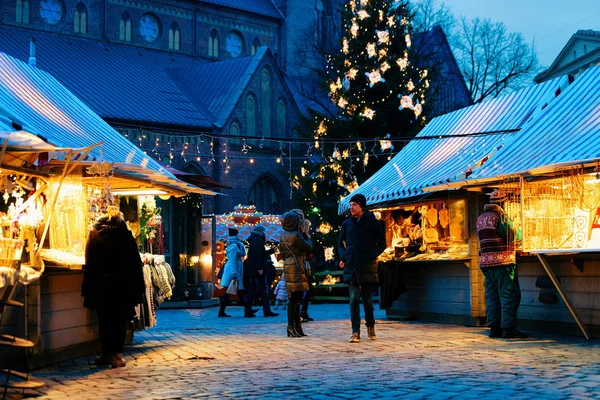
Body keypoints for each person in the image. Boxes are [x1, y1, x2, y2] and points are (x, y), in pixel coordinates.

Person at [82, 206, 145, 368]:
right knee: (118, 321)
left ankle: (105, 353)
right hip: (121, 286)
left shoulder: (94, 235)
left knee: (104, 320)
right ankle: (117, 357)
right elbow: (134, 263)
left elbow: (89, 260)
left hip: (101, 285)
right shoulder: (124, 235)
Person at [476, 189, 527, 339]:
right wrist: (521, 229)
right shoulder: (500, 216)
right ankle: (508, 329)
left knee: (492, 296)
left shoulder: (481, 217)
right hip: (502, 262)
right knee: (509, 295)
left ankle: (494, 328)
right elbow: (512, 235)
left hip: (486, 263)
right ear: (503, 203)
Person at [338, 193, 386, 343]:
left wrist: (370, 256)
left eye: (354, 205)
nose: (351, 207)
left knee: (367, 300)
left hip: (367, 266)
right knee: (353, 299)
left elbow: (382, 243)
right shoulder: (347, 224)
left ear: (361, 206)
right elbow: (340, 243)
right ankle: (355, 332)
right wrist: (343, 257)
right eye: (350, 205)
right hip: (352, 266)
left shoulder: (372, 223)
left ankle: (370, 328)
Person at [279, 210, 312, 337]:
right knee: (295, 299)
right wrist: (307, 236)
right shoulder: (297, 235)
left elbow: (282, 253)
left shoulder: (283, 235)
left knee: (294, 298)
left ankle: (295, 327)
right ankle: (292, 327)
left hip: (289, 266)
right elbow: (308, 247)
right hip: (297, 266)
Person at [245, 225, 279, 317]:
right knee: (263, 289)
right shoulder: (258, 241)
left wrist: (271, 251)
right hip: (257, 269)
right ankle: (266, 310)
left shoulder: (254, 240)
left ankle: (248, 310)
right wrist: (260, 268)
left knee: (253, 290)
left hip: (253, 269)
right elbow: (258, 256)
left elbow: (260, 254)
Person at [219, 228, 246, 318]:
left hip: (234, 270)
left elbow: (242, 254)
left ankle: (248, 309)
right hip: (233, 271)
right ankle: (247, 309)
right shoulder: (234, 246)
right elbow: (233, 260)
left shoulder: (235, 245)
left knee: (237, 291)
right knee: (231, 291)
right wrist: (234, 273)